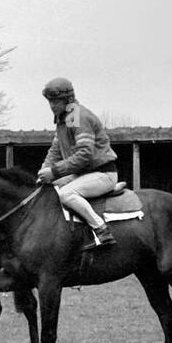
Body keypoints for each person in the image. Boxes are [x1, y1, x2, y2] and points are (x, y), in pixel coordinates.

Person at [37, 77, 117, 251]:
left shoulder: (77, 117)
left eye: (56, 101)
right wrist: (45, 170)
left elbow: (85, 155)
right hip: (83, 174)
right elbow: (56, 149)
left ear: (68, 100)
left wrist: (55, 171)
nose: (52, 105)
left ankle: (101, 230)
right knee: (47, 190)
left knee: (66, 194)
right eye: (50, 101)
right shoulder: (63, 119)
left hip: (102, 174)